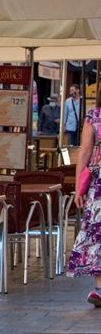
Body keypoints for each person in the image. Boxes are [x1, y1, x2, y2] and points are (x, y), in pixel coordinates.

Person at [69, 98, 101, 307]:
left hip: (98, 183)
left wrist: (78, 187)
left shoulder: (95, 116)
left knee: (97, 230)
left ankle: (100, 288)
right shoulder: (94, 115)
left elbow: (85, 152)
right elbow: (85, 152)